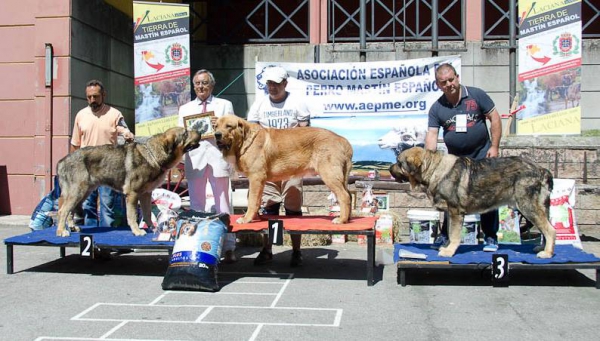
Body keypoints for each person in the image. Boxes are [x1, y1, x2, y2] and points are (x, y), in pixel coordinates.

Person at [424, 63, 502, 252]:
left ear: (457, 77)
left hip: (482, 155)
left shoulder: (477, 95)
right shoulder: (437, 108)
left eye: (451, 79)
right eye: (444, 82)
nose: (449, 84)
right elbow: (432, 135)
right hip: (455, 162)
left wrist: (494, 146)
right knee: (450, 199)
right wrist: (429, 163)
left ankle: (490, 237)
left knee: (488, 195)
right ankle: (445, 236)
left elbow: (495, 118)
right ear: (438, 84)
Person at [247, 66, 311, 267]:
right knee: (270, 206)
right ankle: (269, 249)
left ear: (285, 83)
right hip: (267, 165)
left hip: (292, 163)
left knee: (293, 207)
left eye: (276, 83)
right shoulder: (259, 105)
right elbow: (251, 134)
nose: (272, 87)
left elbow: (305, 134)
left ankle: (296, 250)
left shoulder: (297, 102)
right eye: (269, 84)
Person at [178, 69, 237, 263]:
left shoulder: (224, 105)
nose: (201, 87)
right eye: (197, 84)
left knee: (223, 205)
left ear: (212, 85)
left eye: (204, 83)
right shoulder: (185, 109)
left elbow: (233, 133)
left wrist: (219, 124)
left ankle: (229, 246)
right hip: (195, 160)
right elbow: (181, 136)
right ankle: (198, 245)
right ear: (193, 86)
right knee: (196, 205)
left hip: (219, 158)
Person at [71, 80, 134, 227]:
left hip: (108, 167)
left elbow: (123, 128)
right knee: (88, 205)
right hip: (87, 168)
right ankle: (91, 239)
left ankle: (107, 241)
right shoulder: (81, 115)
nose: (92, 100)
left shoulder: (114, 114)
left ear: (103, 95)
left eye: (96, 96)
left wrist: (127, 133)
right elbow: (75, 144)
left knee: (108, 204)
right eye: (89, 97)